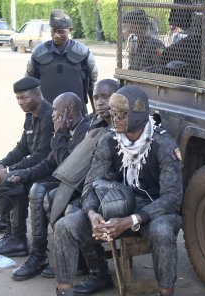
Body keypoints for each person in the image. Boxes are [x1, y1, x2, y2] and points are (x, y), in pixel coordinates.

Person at [53, 85, 183, 296]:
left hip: (154, 212)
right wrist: (92, 214)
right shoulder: (109, 140)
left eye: (123, 114)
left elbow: (172, 198)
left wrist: (130, 220)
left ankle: (165, 292)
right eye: (114, 114)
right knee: (65, 226)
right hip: (117, 206)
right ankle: (64, 291)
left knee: (162, 230)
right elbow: (91, 184)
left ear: (138, 114)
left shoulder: (163, 143)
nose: (116, 119)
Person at [11, 79, 119, 281]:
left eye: (105, 97)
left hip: (97, 188)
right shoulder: (95, 124)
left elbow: (66, 166)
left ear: (68, 111)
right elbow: (51, 162)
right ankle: (37, 252)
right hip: (80, 184)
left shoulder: (87, 128)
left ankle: (80, 262)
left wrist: (59, 132)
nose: (100, 102)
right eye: (96, 97)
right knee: (38, 190)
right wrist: (18, 172)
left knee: (63, 204)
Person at [0, 77, 54, 255]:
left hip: (48, 170)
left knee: (14, 181)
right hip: (36, 165)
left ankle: (18, 239)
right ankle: (6, 221)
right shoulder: (31, 116)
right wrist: (4, 163)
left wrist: (12, 170)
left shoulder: (48, 116)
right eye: (18, 98)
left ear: (37, 94)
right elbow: (22, 147)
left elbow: (41, 156)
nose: (20, 102)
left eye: (24, 97)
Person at [26, 9, 98, 114]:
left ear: (70, 30)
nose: (56, 35)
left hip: (77, 114)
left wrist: (96, 113)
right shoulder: (38, 53)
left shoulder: (83, 53)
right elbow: (29, 85)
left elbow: (93, 85)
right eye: (53, 31)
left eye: (61, 31)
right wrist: (30, 114)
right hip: (46, 114)